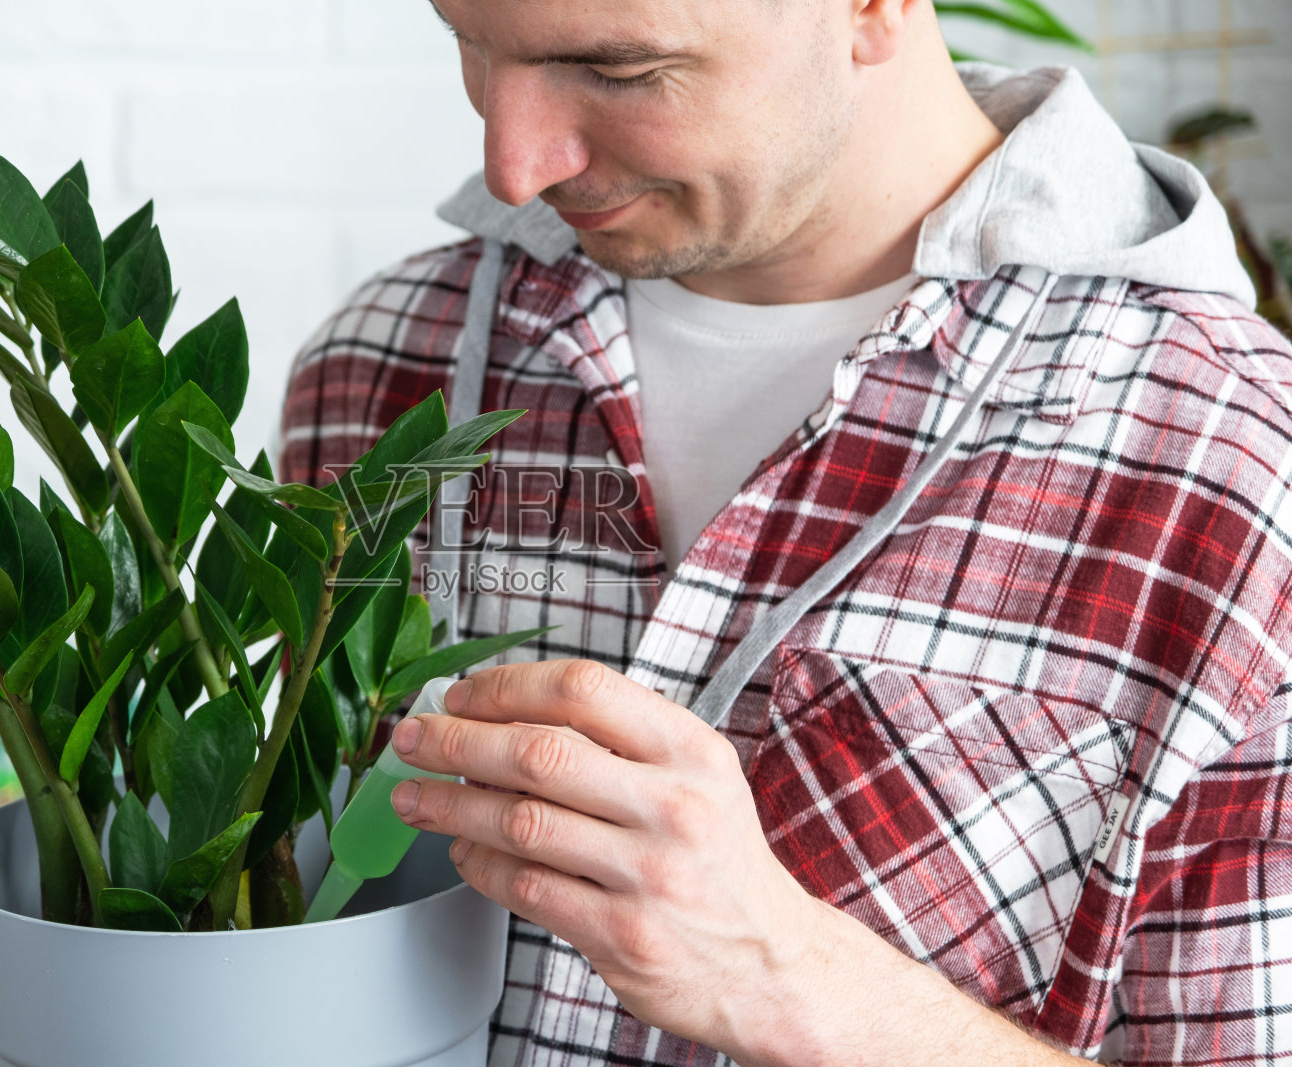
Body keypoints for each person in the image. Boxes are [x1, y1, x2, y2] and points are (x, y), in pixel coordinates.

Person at [275, 0, 1292, 1063]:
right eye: (470, 46)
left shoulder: (1228, 468)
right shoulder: (379, 363)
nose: (514, 164)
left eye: (620, 71)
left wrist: (792, 978)